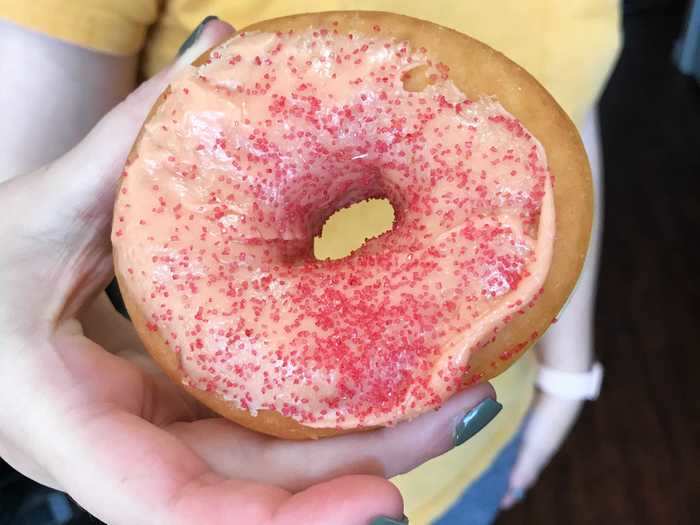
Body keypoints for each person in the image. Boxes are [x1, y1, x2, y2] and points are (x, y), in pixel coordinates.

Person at [0, 2, 619, 524]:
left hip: (476, 437)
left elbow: (559, 134)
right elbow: (35, 198)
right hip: (195, 448)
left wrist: (566, 375)